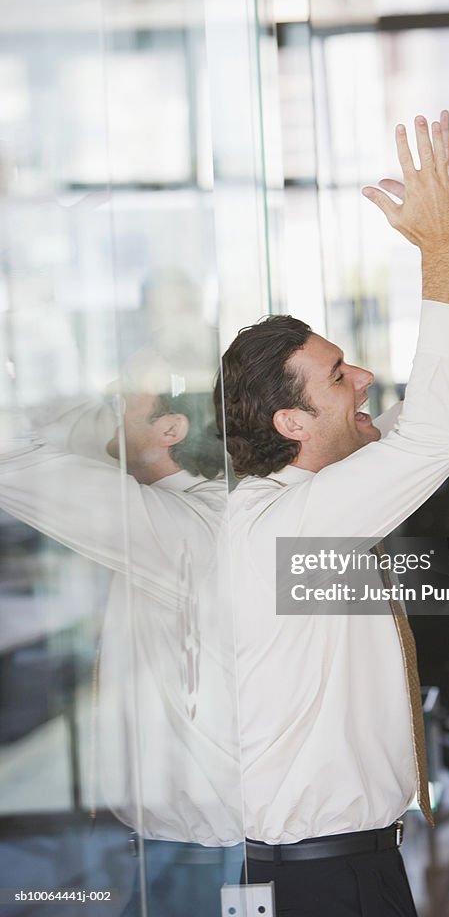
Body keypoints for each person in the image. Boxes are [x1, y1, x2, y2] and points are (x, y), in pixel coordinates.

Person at [215, 111, 449, 916]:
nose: (366, 376)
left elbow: (443, 402)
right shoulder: (284, 529)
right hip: (319, 882)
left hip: (344, 867)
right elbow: (437, 433)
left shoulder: (307, 502)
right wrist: (436, 252)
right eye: (340, 377)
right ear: (291, 424)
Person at [0, 357, 244, 914]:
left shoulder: (183, 528)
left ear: (170, 431)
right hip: (175, 838)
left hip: (200, 850)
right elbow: (65, 436)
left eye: (130, 395)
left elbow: (18, 463)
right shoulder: (189, 508)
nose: (113, 396)